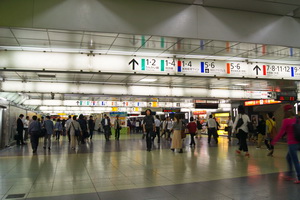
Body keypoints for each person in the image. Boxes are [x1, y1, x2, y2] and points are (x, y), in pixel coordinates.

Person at [271, 105, 300, 184]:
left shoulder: (286, 121)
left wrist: (274, 141)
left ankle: (299, 177)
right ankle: (289, 174)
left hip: (292, 143)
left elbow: (281, 132)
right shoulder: (297, 119)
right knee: (288, 157)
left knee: (295, 161)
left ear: (285, 112)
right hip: (299, 142)